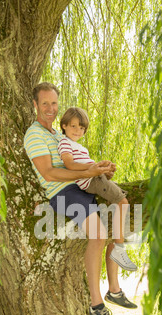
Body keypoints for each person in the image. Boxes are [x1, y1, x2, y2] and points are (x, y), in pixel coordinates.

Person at [24, 82, 137, 315]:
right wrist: (90, 171)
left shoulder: (56, 134)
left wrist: (98, 169)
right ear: (35, 105)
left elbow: (75, 162)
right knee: (97, 235)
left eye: (54, 103)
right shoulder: (34, 135)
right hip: (62, 193)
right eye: (45, 103)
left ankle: (115, 290)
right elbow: (49, 173)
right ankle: (96, 305)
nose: (50, 108)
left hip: (79, 188)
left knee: (115, 222)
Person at [58, 106, 137, 272]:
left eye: (81, 128)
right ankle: (119, 249)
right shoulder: (65, 143)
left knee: (121, 200)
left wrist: (104, 170)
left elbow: (88, 167)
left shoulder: (81, 148)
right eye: (74, 126)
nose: (78, 131)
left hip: (95, 178)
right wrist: (95, 168)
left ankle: (119, 247)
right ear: (64, 125)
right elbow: (69, 164)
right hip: (90, 181)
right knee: (123, 202)